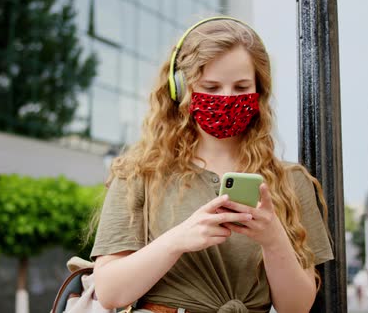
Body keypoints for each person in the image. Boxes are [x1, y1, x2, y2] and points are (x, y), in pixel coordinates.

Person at [90, 16, 334, 313]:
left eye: (241, 86)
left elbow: (296, 308)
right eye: (212, 86)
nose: (227, 98)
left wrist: (273, 240)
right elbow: (110, 292)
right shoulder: (138, 173)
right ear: (180, 88)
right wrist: (178, 240)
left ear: (259, 93)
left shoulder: (291, 181)